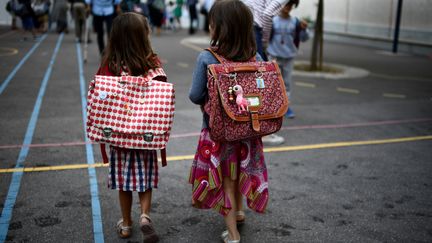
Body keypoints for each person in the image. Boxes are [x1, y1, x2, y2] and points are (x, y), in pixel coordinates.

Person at [188, 1, 269, 242]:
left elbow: (194, 95)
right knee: (241, 169)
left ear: (218, 28)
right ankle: (240, 211)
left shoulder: (207, 57)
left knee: (226, 179)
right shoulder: (256, 56)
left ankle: (232, 233)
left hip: (218, 133)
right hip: (249, 128)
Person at [95, 12, 165, 242]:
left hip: (120, 134)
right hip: (145, 135)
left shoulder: (111, 65)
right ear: (143, 36)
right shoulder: (151, 63)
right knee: (144, 179)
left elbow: (99, 96)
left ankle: (126, 224)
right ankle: (145, 215)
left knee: (124, 183)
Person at [241, 0, 291, 146]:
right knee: (259, 83)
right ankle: (262, 131)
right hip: (254, 30)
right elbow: (268, 15)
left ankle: (246, 124)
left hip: (242, 26)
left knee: (247, 79)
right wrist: (264, 41)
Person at [267, 0, 308, 119]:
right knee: (273, 82)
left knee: (287, 83)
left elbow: (304, 38)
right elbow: (266, 36)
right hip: (274, 55)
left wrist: (304, 29)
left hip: (289, 56)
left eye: (290, 4)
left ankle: (286, 106)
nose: (287, 7)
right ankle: (272, 106)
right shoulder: (272, 20)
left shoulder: (295, 22)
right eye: (286, 4)